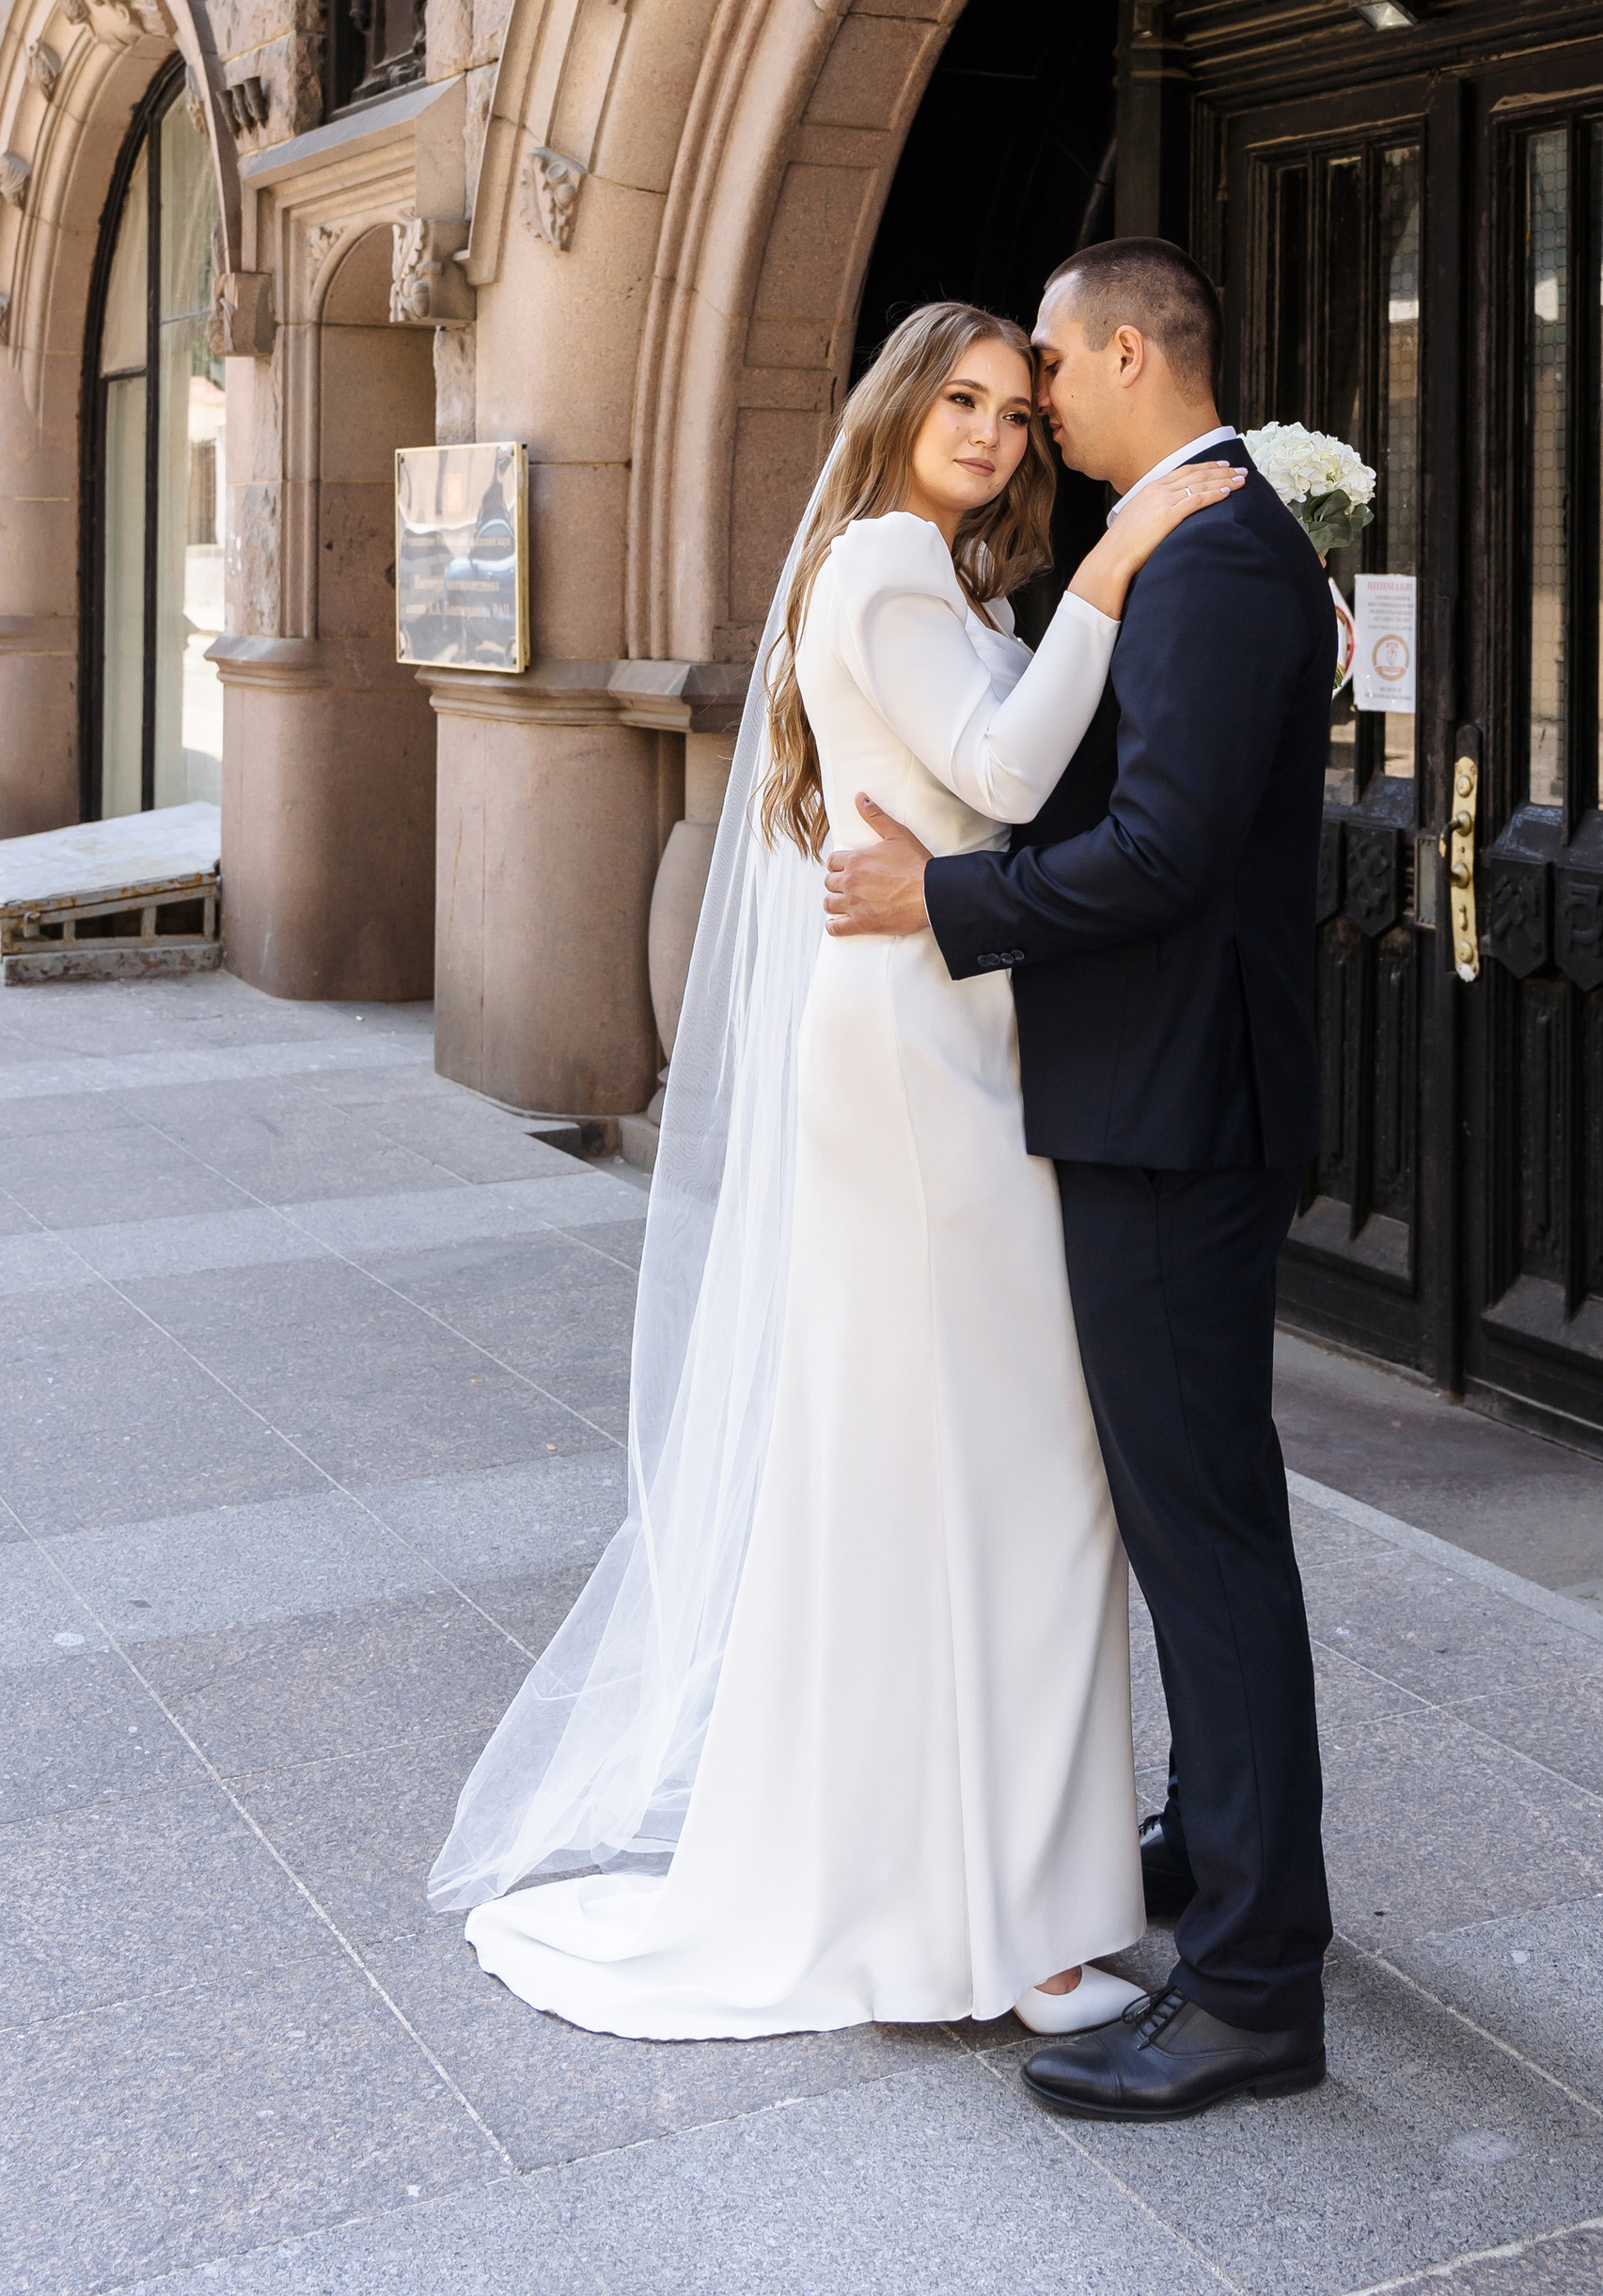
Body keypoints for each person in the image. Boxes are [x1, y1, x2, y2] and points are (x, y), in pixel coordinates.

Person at [430, 299, 1240, 2036]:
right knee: (1019, 1472)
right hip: (917, 1055)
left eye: (1020, 413)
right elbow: (1011, 773)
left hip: (946, 1032)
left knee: (951, 1471)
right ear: (896, 408)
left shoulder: (950, 583)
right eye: (964, 401)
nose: (998, 435)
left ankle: (965, 1889)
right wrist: (1125, 561)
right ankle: (1010, 1933)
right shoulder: (883, 562)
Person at [825, 235, 1338, 2122]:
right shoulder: (1207, 538)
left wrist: (941, 900)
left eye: (1046, 358)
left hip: (1168, 1114)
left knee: (1200, 1541)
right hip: (1163, 1102)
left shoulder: (1205, 550)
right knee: (1207, 1525)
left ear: (1127, 353)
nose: (1032, 391)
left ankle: (1252, 1992)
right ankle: (1221, 1863)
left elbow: (1160, 857)